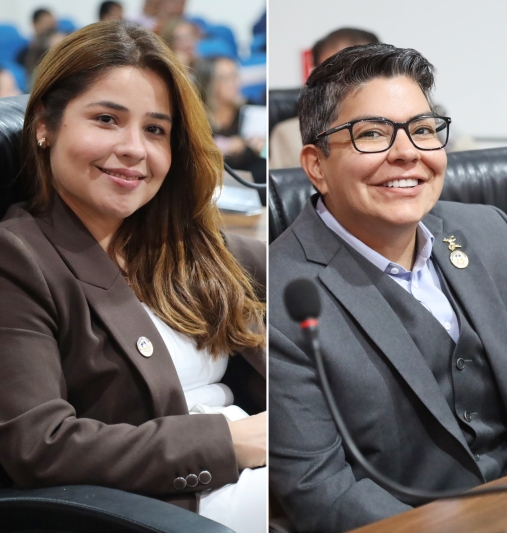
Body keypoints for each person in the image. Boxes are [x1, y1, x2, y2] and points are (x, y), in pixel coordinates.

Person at [0, 21, 266, 533]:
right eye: (107, 119)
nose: (134, 148)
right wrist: (232, 441)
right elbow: (38, 446)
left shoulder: (183, 241)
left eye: (155, 130)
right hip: (170, 505)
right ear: (45, 125)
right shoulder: (18, 256)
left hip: (266, 464)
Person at [269, 43, 507, 533]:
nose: (408, 153)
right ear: (316, 165)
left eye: (423, 130)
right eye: (372, 133)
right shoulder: (280, 296)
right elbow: (323, 493)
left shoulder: (493, 233)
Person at [268, 28, 380, 169]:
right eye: (330, 72)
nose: (344, 81)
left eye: (357, 71)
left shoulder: (403, 124)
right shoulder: (289, 135)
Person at [194, 55, 266, 204]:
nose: (234, 83)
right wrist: (229, 147)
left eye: (235, 76)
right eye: (226, 78)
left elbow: (268, 154)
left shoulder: (251, 110)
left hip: (252, 190)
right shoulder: (196, 117)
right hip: (210, 191)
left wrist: (262, 149)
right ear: (209, 82)